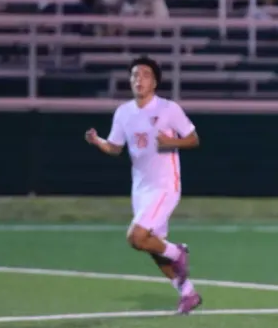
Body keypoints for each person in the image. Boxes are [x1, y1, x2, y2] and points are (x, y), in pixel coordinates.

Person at [84, 56, 203, 314]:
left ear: (155, 82)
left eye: (146, 75)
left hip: (165, 185)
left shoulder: (169, 109)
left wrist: (172, 142)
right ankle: (188, 293)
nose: (139, 80)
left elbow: (194, 139)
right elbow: (115, 147)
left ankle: (178, 252)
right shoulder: (124, 112)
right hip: (140, 188)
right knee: (152, 245)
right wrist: (97, 141)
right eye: (135, 75)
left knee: (136, 237)